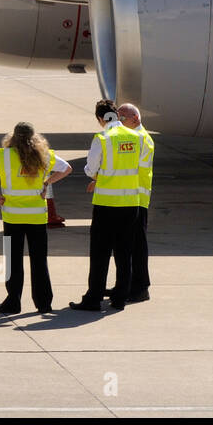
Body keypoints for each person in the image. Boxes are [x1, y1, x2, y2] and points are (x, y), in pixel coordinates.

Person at [0, 122, 72, 314]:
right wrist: (47, 182)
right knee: (39, 261)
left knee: (14, 260)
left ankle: (13, 302)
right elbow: (67, 168)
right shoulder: (44, 155)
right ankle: (44, 303)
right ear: (34, 137)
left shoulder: (3, 156)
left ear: (12, 137)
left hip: (13, 216)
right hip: (37, 216)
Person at [70, 99, 142, 312]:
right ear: (117, 116)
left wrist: (98, 175)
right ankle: (120, 299)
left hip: (106, 204)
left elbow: (91, 170)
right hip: (130, 203)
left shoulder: (102, 139)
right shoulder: (135, 137)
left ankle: (93, 298)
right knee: (124, 253)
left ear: (101, 119)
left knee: (100, 254)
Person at [119, 102, 154, 303]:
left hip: (138, 199)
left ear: (136, 119)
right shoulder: (132, 137)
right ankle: (126, 283)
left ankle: (141, 287)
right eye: (117, 117)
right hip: (129, 198)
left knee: (138, 247)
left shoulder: (142, 139)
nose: (119, 122)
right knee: (127, 246)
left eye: (123, 118)